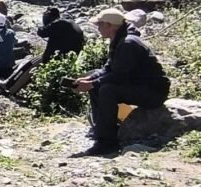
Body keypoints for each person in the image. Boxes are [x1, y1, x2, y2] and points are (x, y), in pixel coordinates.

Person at [72, 8, 169, 157]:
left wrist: (92, 84)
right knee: (97, 84)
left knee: (107, 90)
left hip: (154, 92)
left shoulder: (128, 43)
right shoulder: (119, 39)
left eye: (100, 25)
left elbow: (120, 76)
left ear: (109, 25)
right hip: (140, 86)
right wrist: (90, 79)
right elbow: (108, 69)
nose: (98, 28)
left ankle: (107, 143)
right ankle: (101, 131)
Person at [0, 7, 86, 95]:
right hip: (69, 59)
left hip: (56, 58)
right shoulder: (70, 23)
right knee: (32, 62)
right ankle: (11, 84)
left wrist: (43, 24)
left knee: (30, 67)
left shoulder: (58, 23)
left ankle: (9, 87)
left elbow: (41, 32)